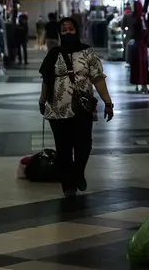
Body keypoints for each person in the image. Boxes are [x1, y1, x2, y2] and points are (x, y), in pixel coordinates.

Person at [39, 18, 113, 198]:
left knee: (84, 145)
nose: (67, 32)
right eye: (63, 30)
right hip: (58, 108)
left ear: (77, 31)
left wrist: (108, 102)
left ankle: (78, 173)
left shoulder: (88, 53)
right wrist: (42, 101)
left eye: (71, 29)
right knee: (63, 149)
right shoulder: (53, 54)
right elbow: (47, 79)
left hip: (82, 107)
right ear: (59, 33)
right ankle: (68, 186)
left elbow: (98, 78)